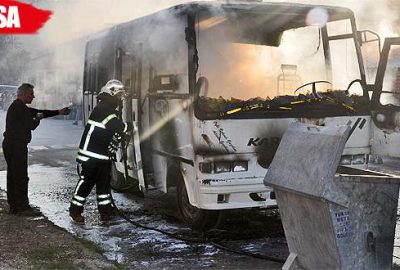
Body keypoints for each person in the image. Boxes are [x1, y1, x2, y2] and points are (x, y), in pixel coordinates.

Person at [2, 83, 71, 216]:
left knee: (13, 176)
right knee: (20, 176)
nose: (33, 97)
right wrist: (37, 119)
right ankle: (22, 208)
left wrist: (58, 112)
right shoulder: (19, 107)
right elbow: (31, 124)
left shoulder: (19, 106)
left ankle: (15, 206)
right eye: (31, 94)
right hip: (16, 145)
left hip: (11, 144)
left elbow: (40, 112)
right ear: (23, 94)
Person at [69, 79, 132, 223]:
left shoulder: (107, 108)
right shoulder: (104, 109)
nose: (121, 98)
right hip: (91, 156)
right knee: (86, 184)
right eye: (119, 95)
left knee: (104, 185)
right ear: (112, 93)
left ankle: (106, 211)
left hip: (102, 155)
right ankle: (75, 210)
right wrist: (129, 126)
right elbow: (115, 126)